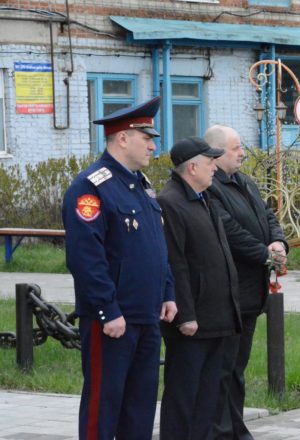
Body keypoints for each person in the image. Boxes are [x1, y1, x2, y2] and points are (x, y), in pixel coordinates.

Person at [62, 96, 178, 440]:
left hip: (146, 315)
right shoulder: (91, 187)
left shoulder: (141, 186)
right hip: (113, 319)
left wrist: (167, 292)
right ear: (123, 138)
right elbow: (86, 258)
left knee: (140, 407)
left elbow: (156, 246)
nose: (153, 146)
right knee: (104, 405)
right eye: (147, 138)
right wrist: (107, 310)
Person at [204, 124, 288, 439]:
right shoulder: (210, 188)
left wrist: (278, 243)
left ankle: (235, 428)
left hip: (251, 295)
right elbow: (230, 232)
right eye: (236, 148)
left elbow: (268, 215)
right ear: (216, 153)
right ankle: (221, 431)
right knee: (223, 369)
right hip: (229, 294)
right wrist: (266, 255)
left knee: (238, 367)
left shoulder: (244, 181)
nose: (242, 153)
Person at [157, 137, 242, 439]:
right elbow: (175, 263)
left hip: (217, 317)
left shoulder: (202, 196)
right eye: (209, 162)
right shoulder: (170, 202)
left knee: (209, 397)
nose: (214, 168)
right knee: (184, 396)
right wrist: (186, 315)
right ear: (192, 167)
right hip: (193, 323)